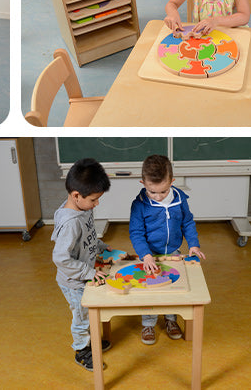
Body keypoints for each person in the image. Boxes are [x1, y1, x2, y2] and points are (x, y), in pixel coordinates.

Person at [129, 154, 206, 344]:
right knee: (150, 290)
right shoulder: (139, 204)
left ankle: (171, 319)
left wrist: (194, 244)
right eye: (152, 192)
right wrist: (145, 255)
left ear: (172, 181)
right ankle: (148, 323)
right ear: (143, 183)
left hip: (173, 253)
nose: (157, 196)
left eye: (163, 191)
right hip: (149, 255)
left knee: (173, 287)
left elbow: (187, 222)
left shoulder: (180, 199)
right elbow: (136, 233)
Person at [53, 158, 112, 371]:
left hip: (84, 275)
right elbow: (61, 258)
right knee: (82, 317)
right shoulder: (70, 223)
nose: (96, 204)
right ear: (76, 195)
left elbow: (88, 237)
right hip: (73, 281)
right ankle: (82, 350)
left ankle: (90, 342)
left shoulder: (83, 208)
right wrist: (87, 271)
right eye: (94, 200)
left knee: (89, 312)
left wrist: (103, 248)